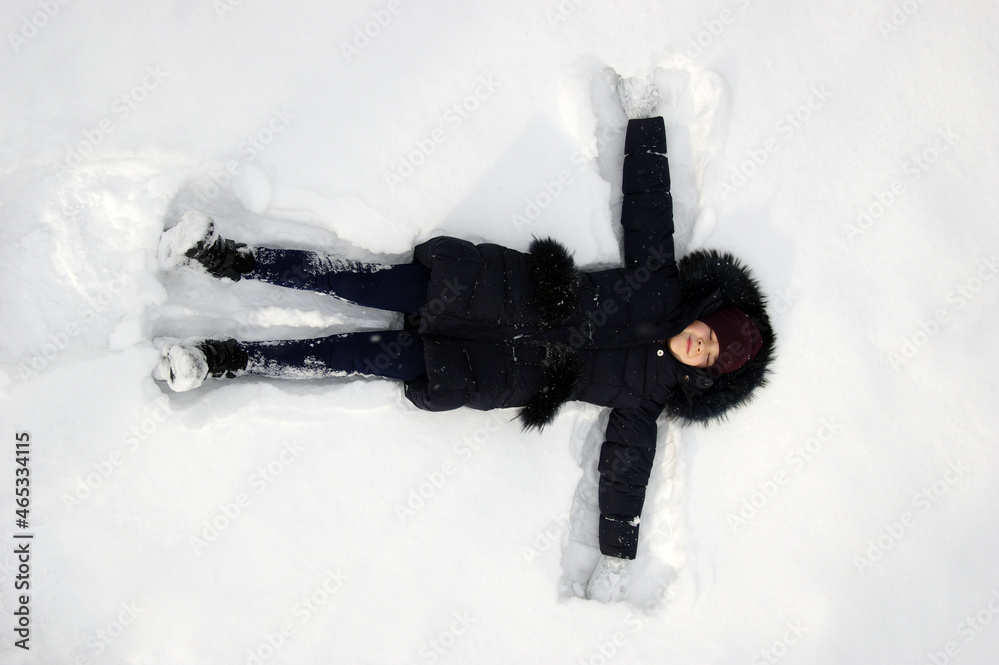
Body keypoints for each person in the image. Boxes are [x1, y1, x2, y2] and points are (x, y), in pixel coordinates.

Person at [154, 77, 775, 602]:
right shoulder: (658, 281)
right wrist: (645, 119)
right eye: (710, 335)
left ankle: (226, 360)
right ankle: (226, 256)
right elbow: (649, 206)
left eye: (713, 358)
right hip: (485, 294)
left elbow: (626, 471)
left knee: (350, 356)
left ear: (711, 376)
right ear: (707, 313)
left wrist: (617, 555)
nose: (702, 347)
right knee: (352, 282)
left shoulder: (652, 397)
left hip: (488, 366)